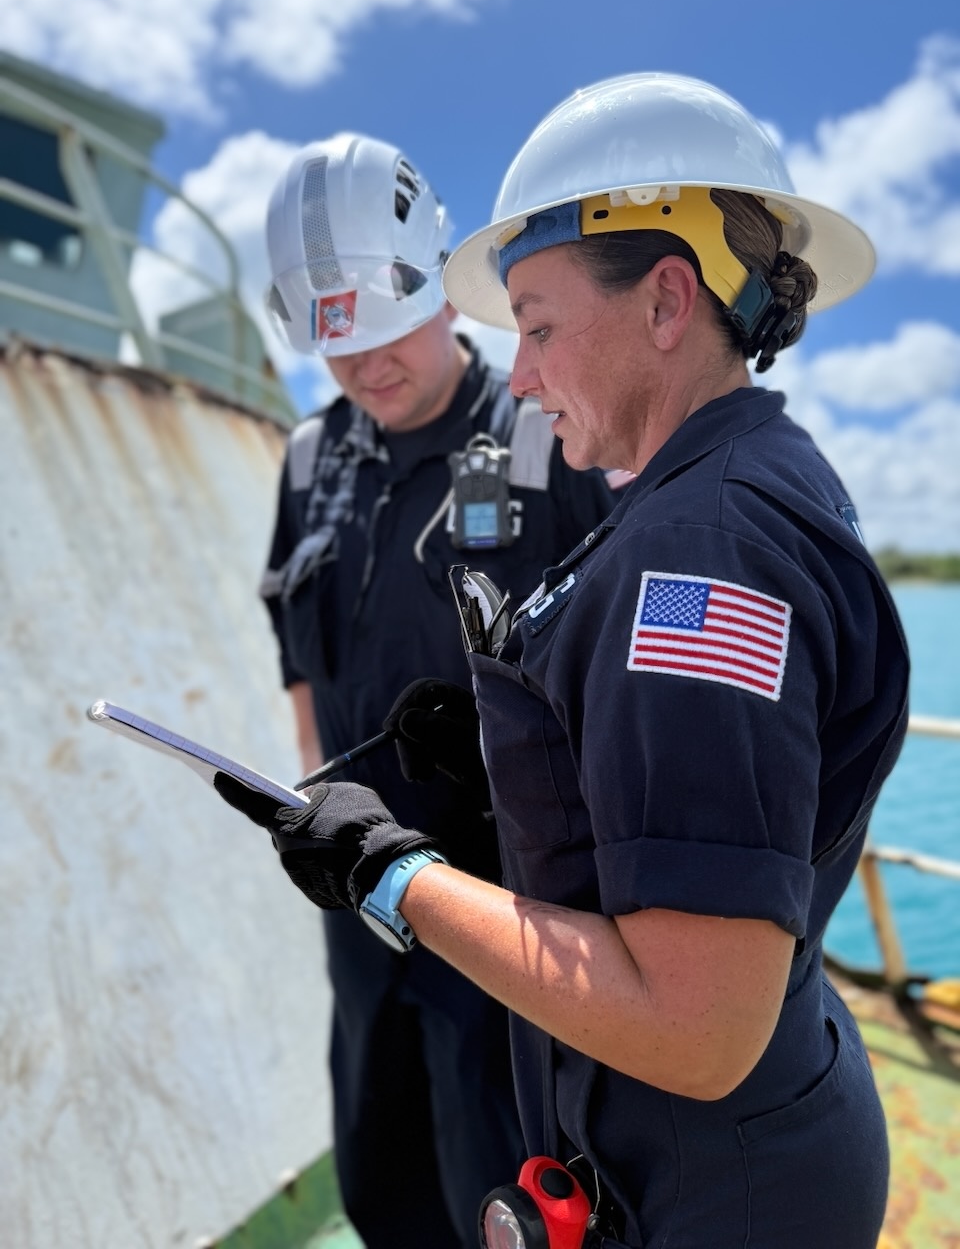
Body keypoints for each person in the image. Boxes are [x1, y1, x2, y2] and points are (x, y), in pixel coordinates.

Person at [222, 78, 909, 1248]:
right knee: (396, 1175)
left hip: (593, 1029)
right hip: (542, 987)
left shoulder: (696, 545)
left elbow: (693, 1024)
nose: (524, 366)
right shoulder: (732, 487)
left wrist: (398, 873)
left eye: (535, 324)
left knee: (478, 1159)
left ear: (665, 303)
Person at [254, 131, 618, 1249]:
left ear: (437, 281)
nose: (364, 368)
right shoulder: (312, 461)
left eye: (381, 333)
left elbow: (621, 688)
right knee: (386, 1179)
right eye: (337, 348)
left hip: (513, 923)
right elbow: (300, 658)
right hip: (362, 917)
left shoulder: (549, 432)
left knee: (507, 1197)